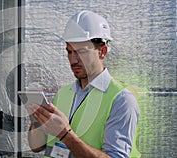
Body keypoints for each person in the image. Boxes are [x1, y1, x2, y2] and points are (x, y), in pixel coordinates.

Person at [28, 10, 140, 158]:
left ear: (102, 51)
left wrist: (65, 135)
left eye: (81, 52)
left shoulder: (121, 99)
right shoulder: (63, 93)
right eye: (69, 52)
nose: (73, 60)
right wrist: (37, 122)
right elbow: (37, 147)